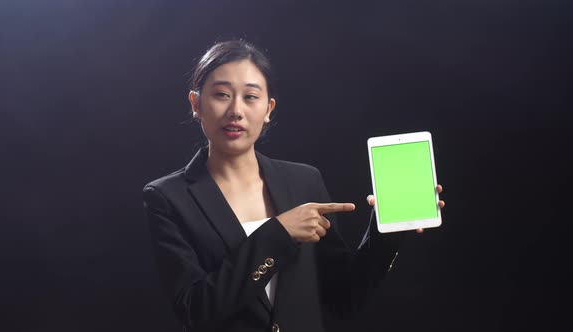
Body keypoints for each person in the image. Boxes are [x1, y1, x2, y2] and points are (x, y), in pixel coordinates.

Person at [142, 39, 445, 332]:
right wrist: (279, 233)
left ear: (269, 109)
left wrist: (386, 231)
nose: (236, 110)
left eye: (250, 97)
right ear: (196, 103)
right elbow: (196, 309)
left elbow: (344, 299)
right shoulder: (168, 197)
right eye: (221, 94)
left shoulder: (304, 181)